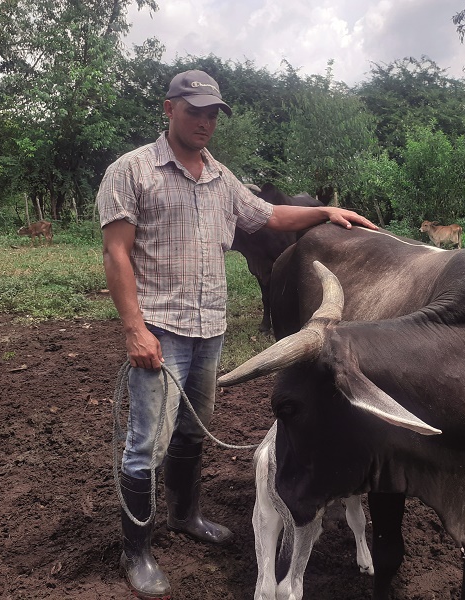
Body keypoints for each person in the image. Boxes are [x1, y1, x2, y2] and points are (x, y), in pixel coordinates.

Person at [96, 69, 377, 599]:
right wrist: (135, 330)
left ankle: (186, 515)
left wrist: (325, 211)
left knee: (193, 431)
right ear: (169, 108)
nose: (204, 121)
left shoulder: (220, 178)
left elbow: (268, 215)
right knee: (144, 446)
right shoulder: (131, 171)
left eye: (211, 113)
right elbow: (116, 254)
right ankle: (138, 552)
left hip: (209, 330)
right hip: (160, 330)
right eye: (193, 110)